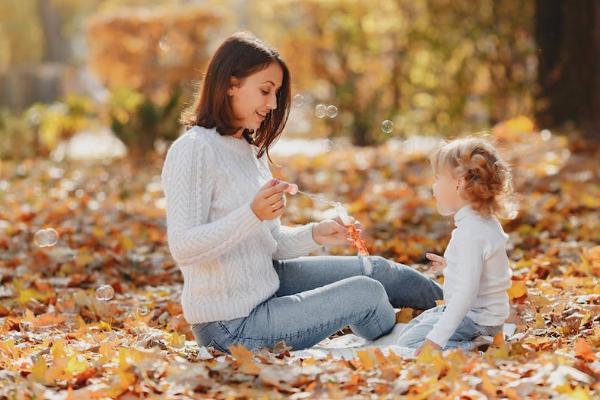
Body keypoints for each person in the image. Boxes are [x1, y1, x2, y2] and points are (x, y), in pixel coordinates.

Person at [160, 31, 443, 353]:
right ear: (230, 84)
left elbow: (271, 243)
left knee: (377, 270)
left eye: (277, 93)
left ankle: (465, 306)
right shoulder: (194, 149)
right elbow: (183, 247)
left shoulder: (245, 149)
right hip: (231, 324)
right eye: (265, 91)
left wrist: (316, 234)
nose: (273, 104)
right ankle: (405, 342)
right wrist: (251, 214)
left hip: (267, 282)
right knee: (366, 292)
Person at [394, 137, 517, 356]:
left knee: (408, 345)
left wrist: (434, 342)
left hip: (476, 320)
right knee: (411, 330)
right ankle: (477, 340)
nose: (434, 187)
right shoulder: (483, 221)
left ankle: (475, 347)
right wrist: (451, 268)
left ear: (459, 182)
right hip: (482, 317)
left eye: (438, 178)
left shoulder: (470, 232)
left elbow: (465, 295)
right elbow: (484, 272)